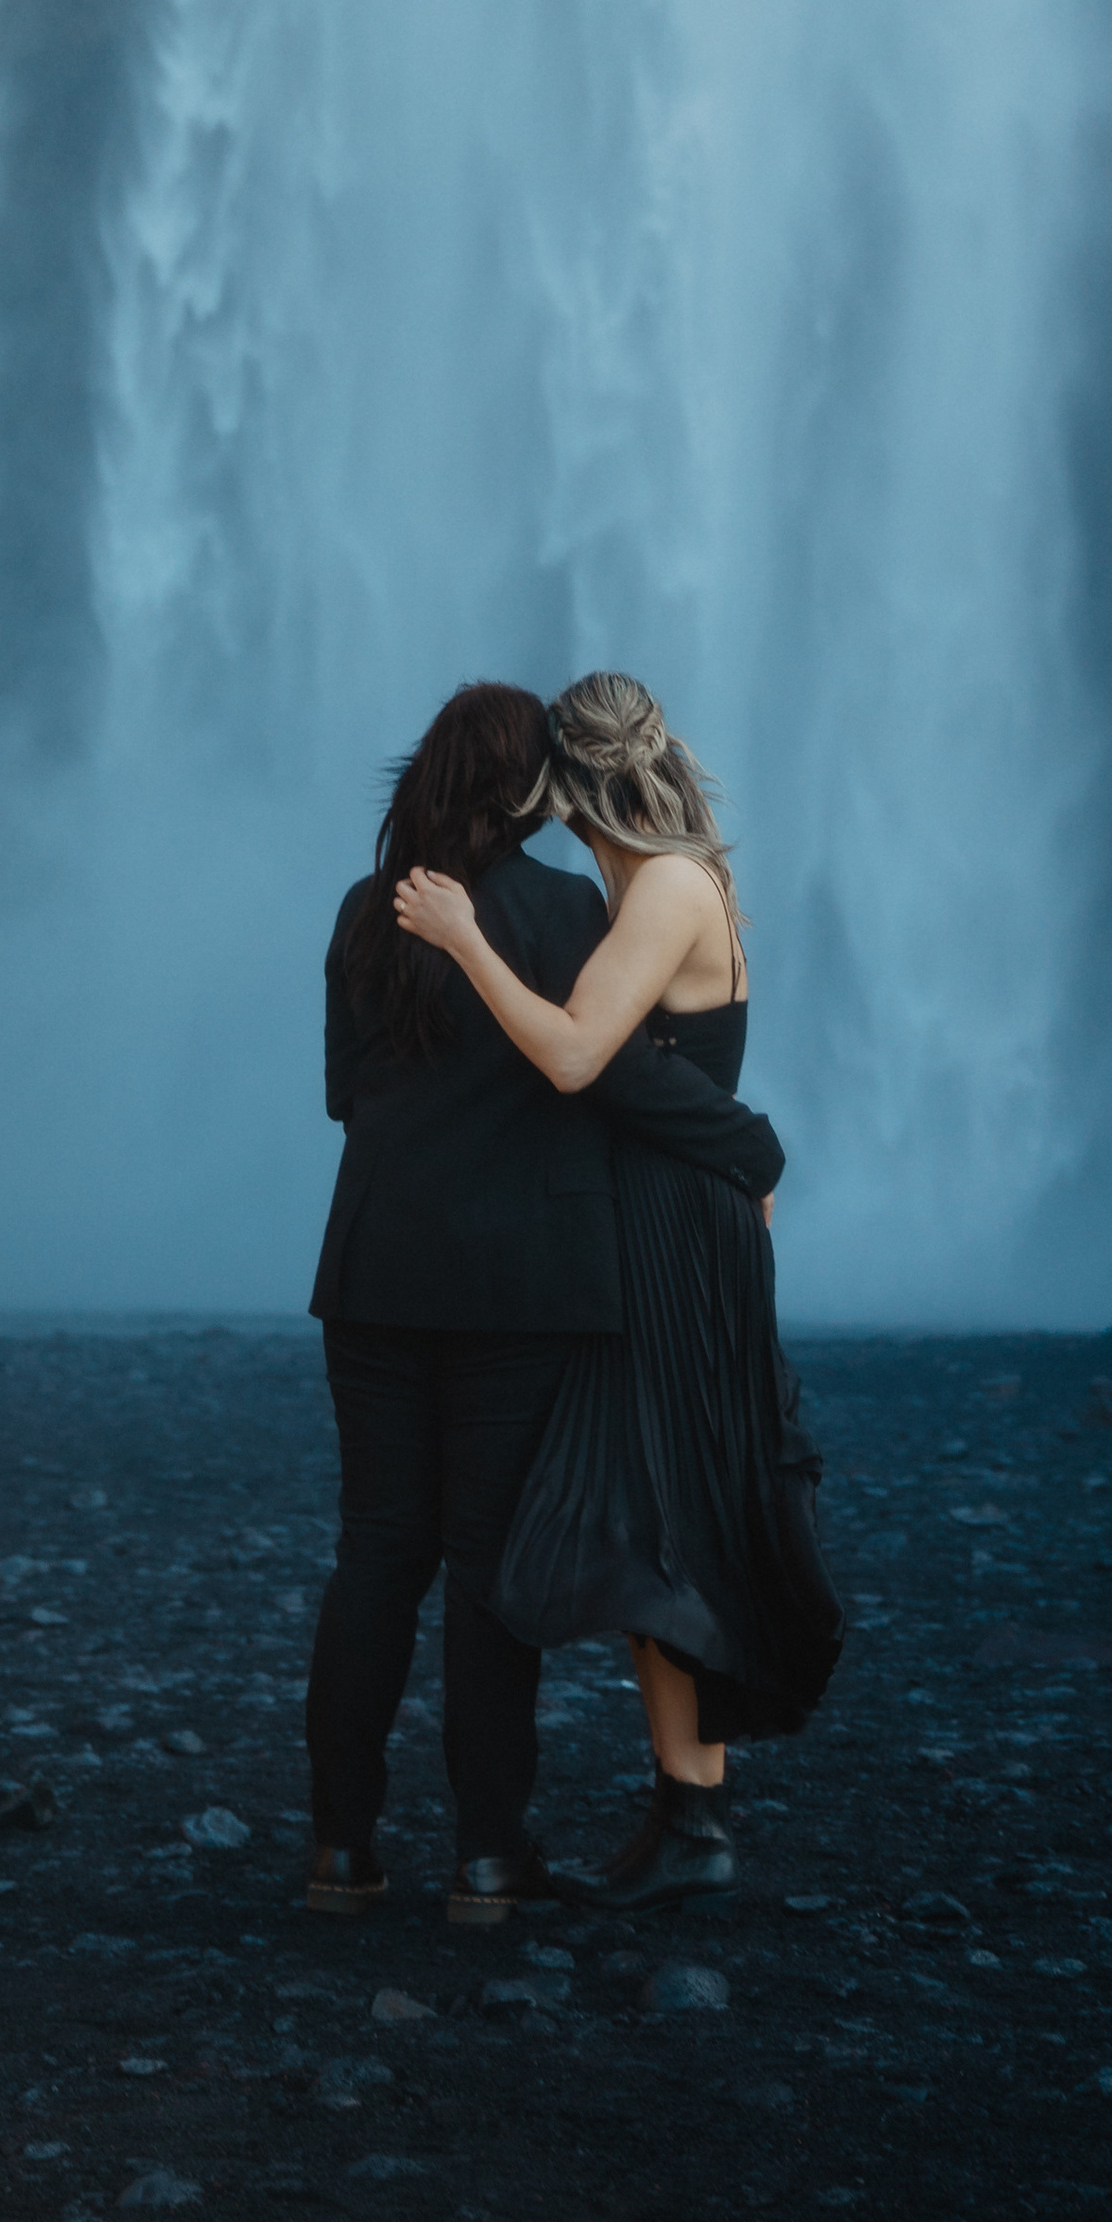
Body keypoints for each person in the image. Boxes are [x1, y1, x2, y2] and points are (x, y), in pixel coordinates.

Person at [306, 678, 787, 1927]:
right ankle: (486, 1859)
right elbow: (601, 1071)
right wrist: (748, 1147)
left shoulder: (370, 911)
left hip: (373, 1276)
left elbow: (347, 1094)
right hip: (520, 1287)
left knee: (372, 1558)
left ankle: (342, 1855)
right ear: (532, 789)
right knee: (483, 1575)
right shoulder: (570, 906)